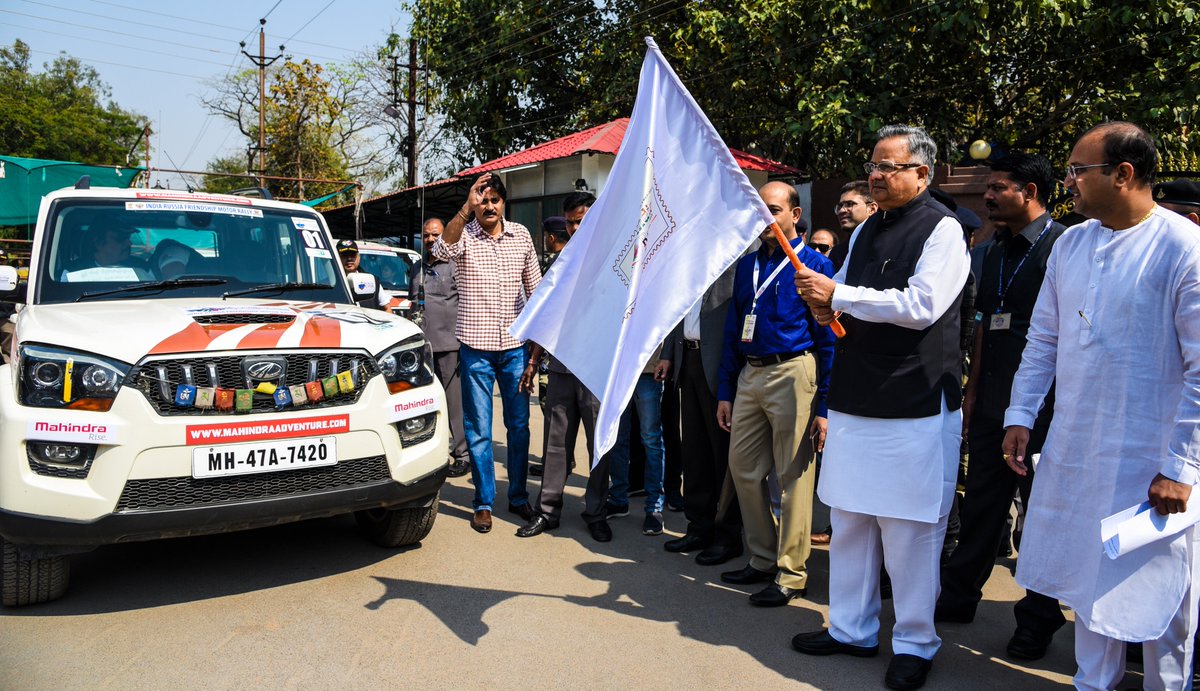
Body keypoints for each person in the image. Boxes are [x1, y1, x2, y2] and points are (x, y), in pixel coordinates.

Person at [1002, 122, 1200, 690]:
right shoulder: (1072, 243)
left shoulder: (1181, 248)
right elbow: (1044, 339)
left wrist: (1182, 468)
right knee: (1090, 581)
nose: (1068, 183)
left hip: (1154, 462)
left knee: (1166, 598)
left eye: (1077, 171)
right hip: (1081, 448)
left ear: (1124, 174)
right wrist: (1021, 414)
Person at [792, 124, 970, 691]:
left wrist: (838, 297)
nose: (877, 175)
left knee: (909, 531)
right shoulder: (867, 228)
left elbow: (922, 305)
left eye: (890, 167)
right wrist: (824, 302)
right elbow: (842, 285)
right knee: (848, 521)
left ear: (923, 172)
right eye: (874, 165)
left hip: (914, 400)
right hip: (856, 394)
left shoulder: (945, 230)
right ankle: (850, 628)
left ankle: (915, 642)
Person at [934, 153, 1068, 660]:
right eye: (986, 188)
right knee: (983, 505)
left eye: (998, 188)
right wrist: (971, 396)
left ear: (1029, 191)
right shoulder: (987, 254)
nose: (988, 196)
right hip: (993, 404)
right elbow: (985, 326)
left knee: (1043, 516)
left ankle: (1037, 618)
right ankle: (960, 594)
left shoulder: (1063, 247)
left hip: (1049, 411)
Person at [716, 181, 835, 607]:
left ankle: (792, 572)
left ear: (794, 215)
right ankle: (763, 558)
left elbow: (830, 340)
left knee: (793, 476)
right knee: (743, 468)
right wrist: (726, 390)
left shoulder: (815, 265)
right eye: (760, 211)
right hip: (751, 373)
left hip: (794, 370)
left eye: (774, 209)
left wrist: (824, 405)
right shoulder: (747, 266)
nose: (767, 219)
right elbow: (734, 330)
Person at [431, 173, 541, 534]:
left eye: (495, 199)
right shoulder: (464, 236)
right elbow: (440, 250)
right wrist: (466, 207)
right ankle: (483, 502)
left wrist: (535, 354)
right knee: (478, 429)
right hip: (475, 351)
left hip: (515, 351)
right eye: (483, 199)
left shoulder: (521, 235)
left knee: (519, 426)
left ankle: (520, 496)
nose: (489, 205)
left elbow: (537, 294)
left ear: (504, 204)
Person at [516, 195, 620, 542]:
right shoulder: (559, 266)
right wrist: (532, 361)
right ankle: (547, 511)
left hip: (595, 369)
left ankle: (596, 512)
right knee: (555, 444)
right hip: (561, 367)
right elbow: (545, 317)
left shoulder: (613, 260)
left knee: (598, 446)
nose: (576, 228)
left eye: (582, 220)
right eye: (571, 222)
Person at [658, 262, 746, 566]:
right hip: (688, 361)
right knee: (693, 453)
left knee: (723, 456)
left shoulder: (736, 249)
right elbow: (677, 311)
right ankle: (699, 527)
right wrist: (668, 355)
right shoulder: (691, 254)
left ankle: (728, 536)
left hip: (720, 367)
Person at [412, 218, 470, 478]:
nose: (431, 240)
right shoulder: (418, 267)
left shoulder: (455, 264)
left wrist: (462, 344)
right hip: (422, 348)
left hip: (450, 346)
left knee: (453, 403)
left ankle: (462, 455)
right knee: (425, 403)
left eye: (435, 235)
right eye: (426, 236)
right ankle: (430, 452)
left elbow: (468, 304)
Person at [529, 215, 573, 479]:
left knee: (553, 412)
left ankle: (557, 464)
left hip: (553, 352)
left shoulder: (557, 265)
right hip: (553, 352)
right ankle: (555, 462)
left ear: (552, 237)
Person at [827, 180, 877, 270]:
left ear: (871, 209)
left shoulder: (885, 246)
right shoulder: (837, 253)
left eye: (849, 204)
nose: (842, 211)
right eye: (840, 206)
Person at [336, 239, 391, 311]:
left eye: (352, 255)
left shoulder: (372, 281)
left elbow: (387, 308)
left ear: (359, 257)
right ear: (336, 257)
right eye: (344, 255)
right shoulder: (330, 284)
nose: (349, 259)